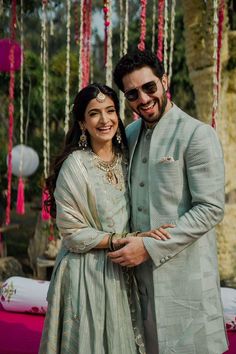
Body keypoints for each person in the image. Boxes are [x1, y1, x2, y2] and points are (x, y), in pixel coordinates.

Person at [109, 49, 228, 354]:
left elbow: (210, 208)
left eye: (149, 87)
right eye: (133, 93)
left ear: (164, 81)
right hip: (139, 281)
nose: (143, 99)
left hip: (185, 278)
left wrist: (148, 247)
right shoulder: (129, 134)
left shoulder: (197, 134)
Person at [39, 83, 172, 354]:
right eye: (94, 113)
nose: (105, 119)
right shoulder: (76, 165)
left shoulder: (127, 158)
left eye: (110, 110)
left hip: (122, 269)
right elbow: (72, 232)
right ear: (82, 123)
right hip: (85, 272)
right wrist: (125, 240)